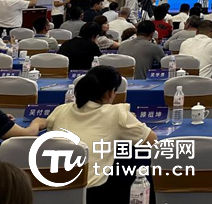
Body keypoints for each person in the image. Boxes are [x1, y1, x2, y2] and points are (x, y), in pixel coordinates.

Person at [45, 65, 157, 201]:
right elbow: (152, 141)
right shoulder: (117, 113)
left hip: (52, 189)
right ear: (110, 93)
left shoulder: (60, 110)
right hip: (92, 193)